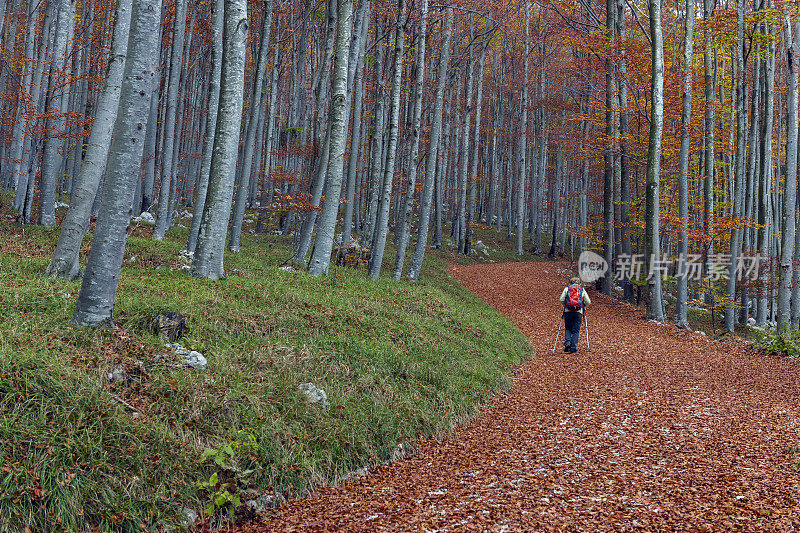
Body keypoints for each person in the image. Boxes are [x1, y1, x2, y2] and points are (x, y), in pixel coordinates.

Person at [559, 277, 590, 353]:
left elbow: (561, 299)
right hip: (578, 312)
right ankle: (573, 348)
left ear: (570, 282)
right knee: (576, 330)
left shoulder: (567, 288)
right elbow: (588, 301)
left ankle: (567, 343)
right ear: (579, 282)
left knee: (568, 328)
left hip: (568, 311)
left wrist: (566, 305)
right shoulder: (582, 289)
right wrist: (582, 306)